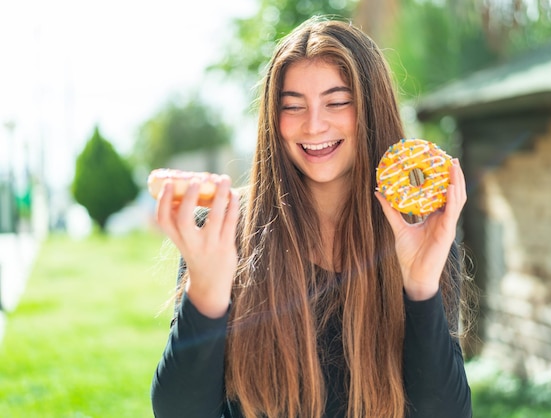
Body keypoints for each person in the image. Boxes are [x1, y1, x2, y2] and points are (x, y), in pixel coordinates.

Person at [150, 15, 473, 418]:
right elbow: (180, 412)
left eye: (337, 102)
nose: (314, 125)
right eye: (293, 106)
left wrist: (421, 287)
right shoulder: (222, 229)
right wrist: (207, 293)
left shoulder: (421, 234)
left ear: (372, 110)